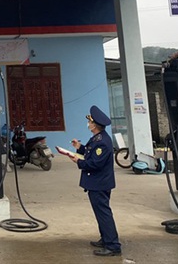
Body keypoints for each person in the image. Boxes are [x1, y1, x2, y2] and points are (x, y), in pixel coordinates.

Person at [70, 105, 122, 257]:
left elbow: (95, 163)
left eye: (90, 122)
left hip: (100, 183)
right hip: (98, 182)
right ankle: (105, 239)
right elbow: (90, 152)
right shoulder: (98, 138)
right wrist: (79, 147)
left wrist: (78, 162)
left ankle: (113, 245)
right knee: (100, 213)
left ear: (94, 125)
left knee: (104, 214)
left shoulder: (102, 142)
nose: (88, 124)